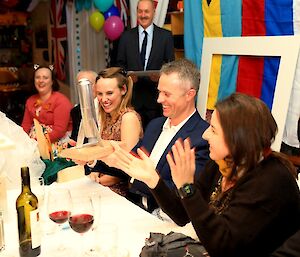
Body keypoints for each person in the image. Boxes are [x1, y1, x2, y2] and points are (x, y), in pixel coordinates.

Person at [112, 93, 300, 257]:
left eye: (213, 130)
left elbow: (224, 247)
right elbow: (184, 215)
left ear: (237, 140)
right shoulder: (223, 163)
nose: (205, 135)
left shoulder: (271, 180)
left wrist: (187, 188)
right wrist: (153, 179)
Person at [102, 58, 209, 212]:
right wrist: (96, 157)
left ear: (189, 94)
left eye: (167, 94)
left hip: (165, 217)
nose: (159, 100)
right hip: (133, 205)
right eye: (159, 92)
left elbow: (185, 194)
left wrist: (147, 177)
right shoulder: (155, 125)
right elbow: (130, 164)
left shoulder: (202, 138)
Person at [85, 67, 143, 196]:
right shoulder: (108, 117)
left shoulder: (128, 118)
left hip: (123, 192)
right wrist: (95, 170)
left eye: (109, 93)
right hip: (103, 185)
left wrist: (105, 176)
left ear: (123, 90)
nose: (104, 99)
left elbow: (128, 165)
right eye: (100, 94)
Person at [117, 0, 175, 129]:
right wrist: (127, 78)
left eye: (147, 11)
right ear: (136, 12)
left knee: (155, 137)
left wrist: (161, 77)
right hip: (132, 99)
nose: (143, 15)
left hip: (157, 100)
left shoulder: (165, 36)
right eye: (140, 11)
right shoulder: (126, 37)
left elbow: (171, 66)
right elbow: (119, 65)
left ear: (154, 12)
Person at [21, 64, 73, 156]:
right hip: (34, 143)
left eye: (45, 78)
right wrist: (23, 141)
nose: (41, 81)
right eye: (37, 77)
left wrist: (37, 142)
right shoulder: (30, 101)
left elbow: (59, 131)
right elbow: (26, 125)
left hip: (57, 142)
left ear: (52, 81)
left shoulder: (61, 101)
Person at [70, 70, 98, 142]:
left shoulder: (106, 107)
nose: (84, 88)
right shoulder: (75, 111)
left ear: (97, 85)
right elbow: (75, 138)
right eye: (80, 85)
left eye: (88, 84)